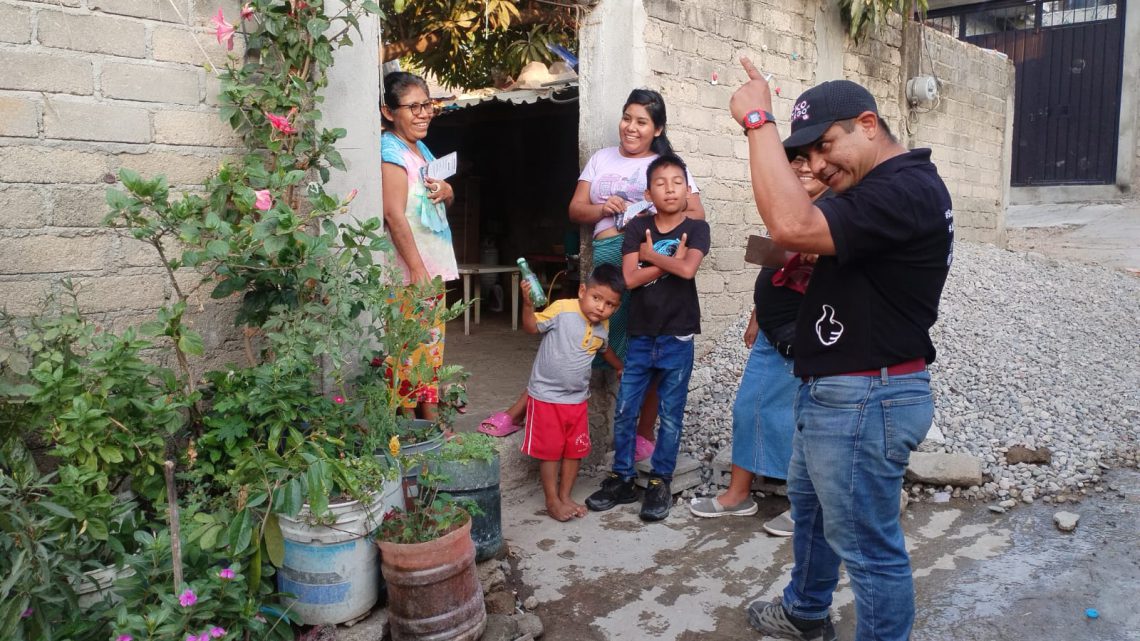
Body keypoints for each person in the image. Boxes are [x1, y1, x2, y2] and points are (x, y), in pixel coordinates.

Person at [730, 63, 953, 641]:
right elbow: (799, 238)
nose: (819, 165)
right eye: (807, 154)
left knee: (869, 549)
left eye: (826, 146)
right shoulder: (882, 188)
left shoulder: (905, 188)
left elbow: (790, 223)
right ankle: (806, 611)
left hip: (865, 396)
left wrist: (757, 121)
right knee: (813, 513)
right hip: (836, 388)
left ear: (868, 124)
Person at [482, 90, 704, 453]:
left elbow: (696, 215)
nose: (631, 128)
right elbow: (575, 210)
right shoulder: (601, 158)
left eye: (642, 122)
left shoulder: (668, 167)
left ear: (657, 128)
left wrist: (654, 210)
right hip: (606, 256)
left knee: (648, 344)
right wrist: (604, 207)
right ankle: (522, 410)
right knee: (577, 334)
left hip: (648, 259)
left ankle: (643, 434)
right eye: (627, 117)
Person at [688, 152, 830, 539]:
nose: (799, 168)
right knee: (748, 408)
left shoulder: (832, 216)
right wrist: (756, 315)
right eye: (793, 161)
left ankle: (805, 508)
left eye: (807, 161)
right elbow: (776, 271)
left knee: (795, 419)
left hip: (802, 338)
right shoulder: (791, 211)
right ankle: (738, 495)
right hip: (770, 330)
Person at [584, 154, 711, 523]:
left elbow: (689, 270)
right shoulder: (639, 227)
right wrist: (666, 259)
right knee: (625, 410)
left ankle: (660, 482)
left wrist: (650, 256)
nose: (669, 189)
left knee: (670, 416)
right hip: (640, 335)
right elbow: (630, 279)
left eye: (677, 182)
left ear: (688, 190)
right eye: (660, 183)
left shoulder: (697, 228)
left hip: (678, 335)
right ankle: (621, 478)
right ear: (647, 192)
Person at [380, 71, 458, 422]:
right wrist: (415, 269)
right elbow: (394, 215)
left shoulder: (420, 148)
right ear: (388, 111)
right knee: (409, 350)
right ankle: (407, 430)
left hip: (430, 266)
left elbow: (430, 200)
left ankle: (429, 420)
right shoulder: (390, 150)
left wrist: (448, 192)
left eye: (427, 105)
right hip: (412, 270)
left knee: (429, 347)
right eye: (413, 106)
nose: (423, 113)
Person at [520, 264, 625, 521]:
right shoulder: (563, 309)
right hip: (546, 397)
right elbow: (532, 327)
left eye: (610, 304)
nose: (601, 307)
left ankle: (565, 496)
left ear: (616, 307)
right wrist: (527, 305)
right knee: (550, 452)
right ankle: (552, 500)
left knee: (574, 451)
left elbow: (604, 349)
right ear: (582, 291)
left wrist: (621, 366)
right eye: (596, 298)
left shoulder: (603, 326)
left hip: (577, 400)